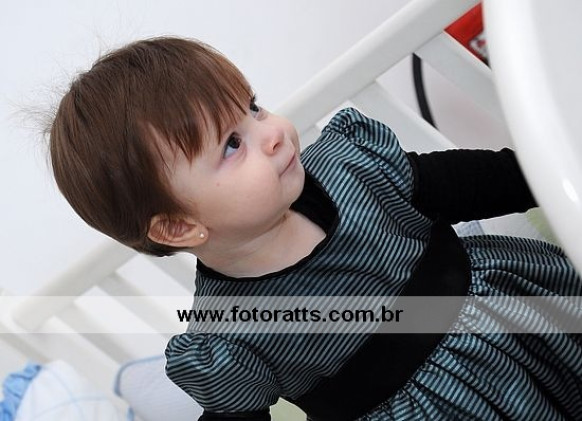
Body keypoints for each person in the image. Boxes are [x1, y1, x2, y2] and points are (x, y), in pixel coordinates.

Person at [49, 37, 581, 420]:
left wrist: (560, 172)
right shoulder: (230, 335)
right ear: (178, 226)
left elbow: (476, 183)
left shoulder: (353, 168)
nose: (273, 133)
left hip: (531, 316)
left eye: (254, 108)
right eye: (232, 144)